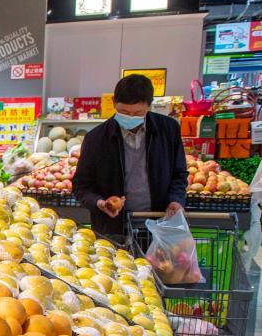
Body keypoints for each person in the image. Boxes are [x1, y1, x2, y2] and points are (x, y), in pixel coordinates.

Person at [72, 74, 187, 236]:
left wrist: (176, 199)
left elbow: (179, 173)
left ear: (149, 105)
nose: (131, 117)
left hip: (159, 226)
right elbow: (81, 185)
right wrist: (99, 203)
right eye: (124, 112)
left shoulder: (168, 130)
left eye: (138, 112)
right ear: (114, 103)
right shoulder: (96, 138)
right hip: (112, 229)